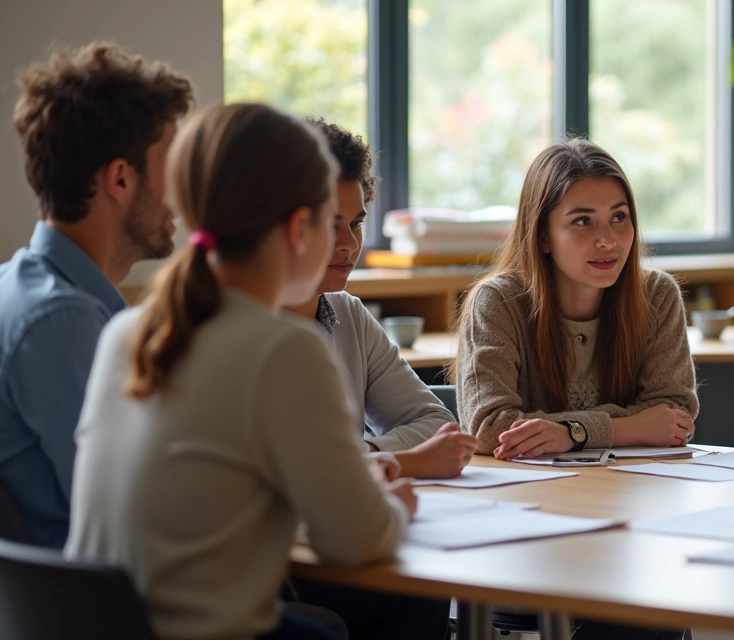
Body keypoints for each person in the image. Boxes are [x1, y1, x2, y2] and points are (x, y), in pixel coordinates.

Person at [65, 103, 449, 640]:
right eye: (329, 223)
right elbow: (356, 541)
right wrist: (394, 503)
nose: (345, 243)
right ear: (299, 227)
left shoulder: (129, 331)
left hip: (100, 625)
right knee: (412, 598)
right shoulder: (284, 350)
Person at [452, 138, 693, 639]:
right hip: (522, 546)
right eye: (582, 221)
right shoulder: (498, 303)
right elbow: (492, 428)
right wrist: (623, 426)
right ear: (542, 234)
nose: (608, 240)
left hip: (629, 533)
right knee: (640, 613)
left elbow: (671, 415)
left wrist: (570, 432)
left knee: (654, 604)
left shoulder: (656, 295)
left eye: (619, 217)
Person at [0, 42, 192, 547]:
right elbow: (139, 513)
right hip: (111, 608)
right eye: (171, 169)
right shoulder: (60, 320)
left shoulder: (28, 290)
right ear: (121, 179)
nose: (180, 193)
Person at [284, 116, 474, 479]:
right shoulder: (242, 333)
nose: (350, 245)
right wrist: (391, 461)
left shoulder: (348, 314)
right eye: (330, 224)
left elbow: (436, 422)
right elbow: (288, 471)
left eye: (356, 223)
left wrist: (368, 454)